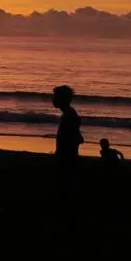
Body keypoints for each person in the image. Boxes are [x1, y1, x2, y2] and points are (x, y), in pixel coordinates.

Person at [53, 85, 83, 217]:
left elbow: (74, 138)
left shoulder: (69, 116)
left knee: (65, 185)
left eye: (55, 97)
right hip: (67, 155)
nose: (53, 100)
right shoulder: (69, 114)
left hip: (67, 157)